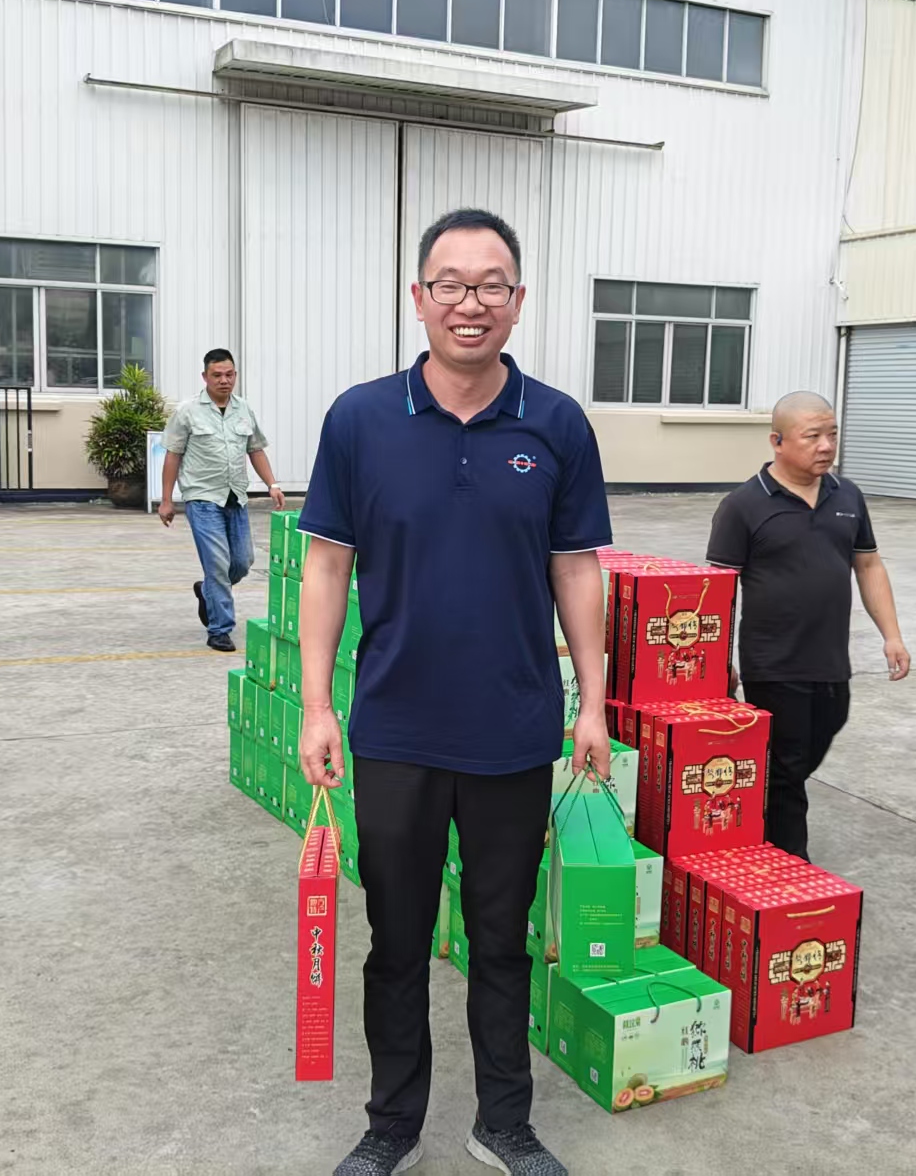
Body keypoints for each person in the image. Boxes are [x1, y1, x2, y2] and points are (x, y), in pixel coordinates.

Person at [297, 209, 613, 1176]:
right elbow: (326, 566)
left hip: (513, 729)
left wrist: (593, 701)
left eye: (490, 285)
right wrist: (317, 705)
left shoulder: (556, 423)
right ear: (418, 296)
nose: (469, 302)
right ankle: (392, 1123)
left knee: (502, 939)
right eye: (451, 283)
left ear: (517, 301)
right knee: (395, 939)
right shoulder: (360, 419)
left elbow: (577, 568)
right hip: (395, 728)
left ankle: (503, 1122)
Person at [705, 391, 910, 861]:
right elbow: (718, 589)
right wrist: (719, 660)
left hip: (831, 661)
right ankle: (789, 865)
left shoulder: (847, 495)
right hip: (773, 663)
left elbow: (868, 565)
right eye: (812, 436)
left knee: (808, 749)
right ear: (777, 441)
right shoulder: (743, 505)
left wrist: (892, 636)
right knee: (786, 770)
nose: (826, 446)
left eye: (832, 434)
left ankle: (757, 835)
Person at [157, 349, 284, 653]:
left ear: (235, 375)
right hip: (202, 498)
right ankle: (219, 630)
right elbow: (173, 455)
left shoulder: (243, 409)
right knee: (216, 565)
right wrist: (166, 500)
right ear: (205, 377)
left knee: (241, 562)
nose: (224, 380)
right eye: (217, 375)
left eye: (229, 374)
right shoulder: (188, 411)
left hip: (235, 497)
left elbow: (255, 449)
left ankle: (207, 592)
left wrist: (273, 484)